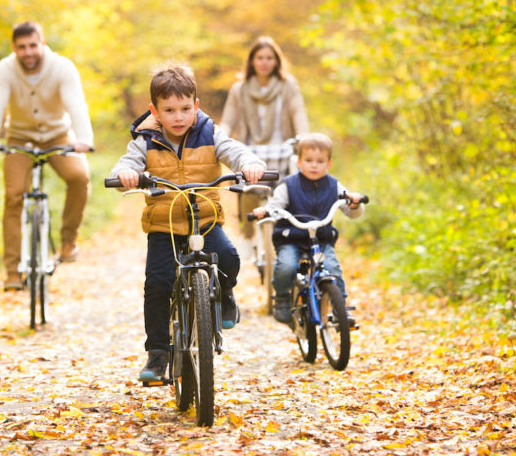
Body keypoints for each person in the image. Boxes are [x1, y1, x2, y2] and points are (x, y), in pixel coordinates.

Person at [109, 63, 265, 383]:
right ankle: (158, 353)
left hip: (204, 219)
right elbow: (129, 162)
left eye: (184, 109)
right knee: (157, 283)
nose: (178, 117)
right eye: (169, 110)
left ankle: (223, 294)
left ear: (196, 106)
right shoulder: (145, 139)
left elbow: (232, 150)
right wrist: (126, 175)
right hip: (164, 224)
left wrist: (248, 162)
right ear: (155, 111)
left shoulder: (209, 132)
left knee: (229, 257)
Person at [0, 21, 94, 291]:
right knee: (13, 195)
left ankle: (68, 241)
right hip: (20, 139)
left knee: (79, 177)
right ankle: (12, 271)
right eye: (22, 47)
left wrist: (84, 139)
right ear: (14, 48)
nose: (28, 52)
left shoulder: (62, 67)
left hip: (58, 136)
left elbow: (76, 104)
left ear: (42, 43)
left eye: (33, 45)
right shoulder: (5, 70)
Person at [252, 133, 364, 325]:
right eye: (309, 160)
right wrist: (266, 211)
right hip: (291, 238)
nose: (314, 165)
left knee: (333, 268)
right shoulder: (288, 185)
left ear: (328, 163)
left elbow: (351, 210)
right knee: (286, 266)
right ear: (298, 162)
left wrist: (354, 203)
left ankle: (340, 308)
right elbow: (275, 205)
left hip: (320, 240)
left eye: (320, 161)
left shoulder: (334, 186)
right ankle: (282, 298)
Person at [220, 36, 309, 274]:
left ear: (276, 61)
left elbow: (298, 113)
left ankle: (287, 237)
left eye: (269, 58)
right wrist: (219, 139)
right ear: (252, 61)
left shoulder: (288, 85)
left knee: (288, 193)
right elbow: (227, 121)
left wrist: (305, 139)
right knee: (247, 188)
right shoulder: (239, 89)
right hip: (251, 151)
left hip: (282, 148)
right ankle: (248, 236)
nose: (264, 62)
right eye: (260, 57)